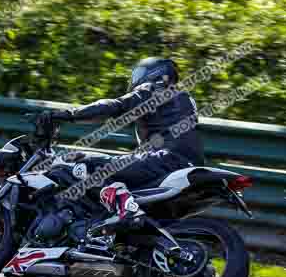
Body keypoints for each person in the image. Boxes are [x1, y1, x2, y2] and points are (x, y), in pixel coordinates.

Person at [38, 57, 205, 228]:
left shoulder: (152, 89)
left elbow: (115, 106)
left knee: (87, 164)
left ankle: (126, 207)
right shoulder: (185, 98)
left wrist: (68, 114)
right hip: (186, 164)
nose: (136, 79)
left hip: (164, 160)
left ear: (156, 73)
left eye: (139, 74)